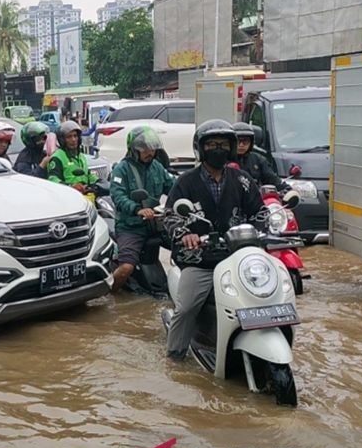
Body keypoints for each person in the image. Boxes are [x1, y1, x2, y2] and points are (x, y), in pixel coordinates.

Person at [163, 119, 264, 361]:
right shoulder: (185, 181)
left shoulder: (242, 180)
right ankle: (174, 355)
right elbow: (169, 215)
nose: (217, 149)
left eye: (223, 144)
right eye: (211, 144)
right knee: (186, 308)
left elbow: (260, 211)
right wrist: (185, 234)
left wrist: (264, 228)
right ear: (200, 148)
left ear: (231, 147)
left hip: (238, 258)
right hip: (200, 260)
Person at [109, 126, 176, 292]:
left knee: (188, 250)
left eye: (152, 148)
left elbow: (174, 188)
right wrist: (137, 209)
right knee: (126, 268)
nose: (150, 152)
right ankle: (111, 296)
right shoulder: (121, 169)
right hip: (131, 227)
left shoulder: (157, 167)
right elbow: (118, 197)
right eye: (145, 148)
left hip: (156, 224)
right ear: (134, 149)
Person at [232, 122, 290, 191]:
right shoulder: (224, 159)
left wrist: (287, 189)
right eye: (238, 141)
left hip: (253, 198)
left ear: (251, 143)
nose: (241, 145)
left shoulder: (258, 160)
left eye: (245, 141)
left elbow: (271, 178)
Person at [47, 120, 99, 192]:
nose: (73, 139)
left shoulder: (81, 156)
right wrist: (70, 187)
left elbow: (89, 174)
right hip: (68, 196)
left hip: (86, 195)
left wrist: (99, 182)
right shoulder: (57, 157)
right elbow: (53, 180)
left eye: (75, 136)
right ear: (62, 140)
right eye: (69, 137)